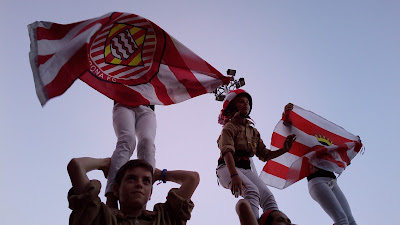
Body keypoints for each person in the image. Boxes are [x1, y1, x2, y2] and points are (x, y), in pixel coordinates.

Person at [216, 89, 296, 219]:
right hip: (227, 168)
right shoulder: (229, 127)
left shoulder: (253, 131)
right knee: (252, 192)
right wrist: (234, 175)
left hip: (246, 169)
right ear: (232, 106)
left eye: (247, 102)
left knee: (268, 197)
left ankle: (276, 222)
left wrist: (284, 149)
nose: (246, 104)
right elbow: (227, 152)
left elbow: (264, 155)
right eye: (241, 102)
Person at [283, 103, 357, 225]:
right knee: (342, 219)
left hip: (332, 181)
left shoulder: (329, 146)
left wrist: (352, 144)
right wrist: (288, 113)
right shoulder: (306, 143)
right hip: (317, 181)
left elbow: (343, 160)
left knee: (351, 220)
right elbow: (287, 126)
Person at [67, 157, 199, 225]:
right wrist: (104, 163)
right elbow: (76, 165)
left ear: (150, 194)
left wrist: (161, 174)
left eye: (146, 181)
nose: (139, 185)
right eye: (131, 179)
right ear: (116, 190)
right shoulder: (101, 217)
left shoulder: (164, 219)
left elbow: (192, 178)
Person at [106, 102, 157, 208]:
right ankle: (111, 197)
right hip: (123, 101)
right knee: (127, 139)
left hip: (147, 107)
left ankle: (143, 204)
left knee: (147, 142)